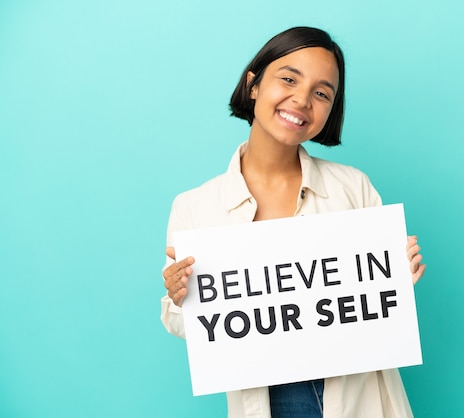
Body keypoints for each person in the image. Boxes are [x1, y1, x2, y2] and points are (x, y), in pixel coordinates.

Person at [161, 26, 426, 418]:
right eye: (288, 78)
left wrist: (397, 279)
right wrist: (183, 297)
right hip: (270, 399)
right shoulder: (194, 206)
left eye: (322, 93)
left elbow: (375, 309)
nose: (302, 100)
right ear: (253, 85)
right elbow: (189, 327)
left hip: (361, 399)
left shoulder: (354, 188)